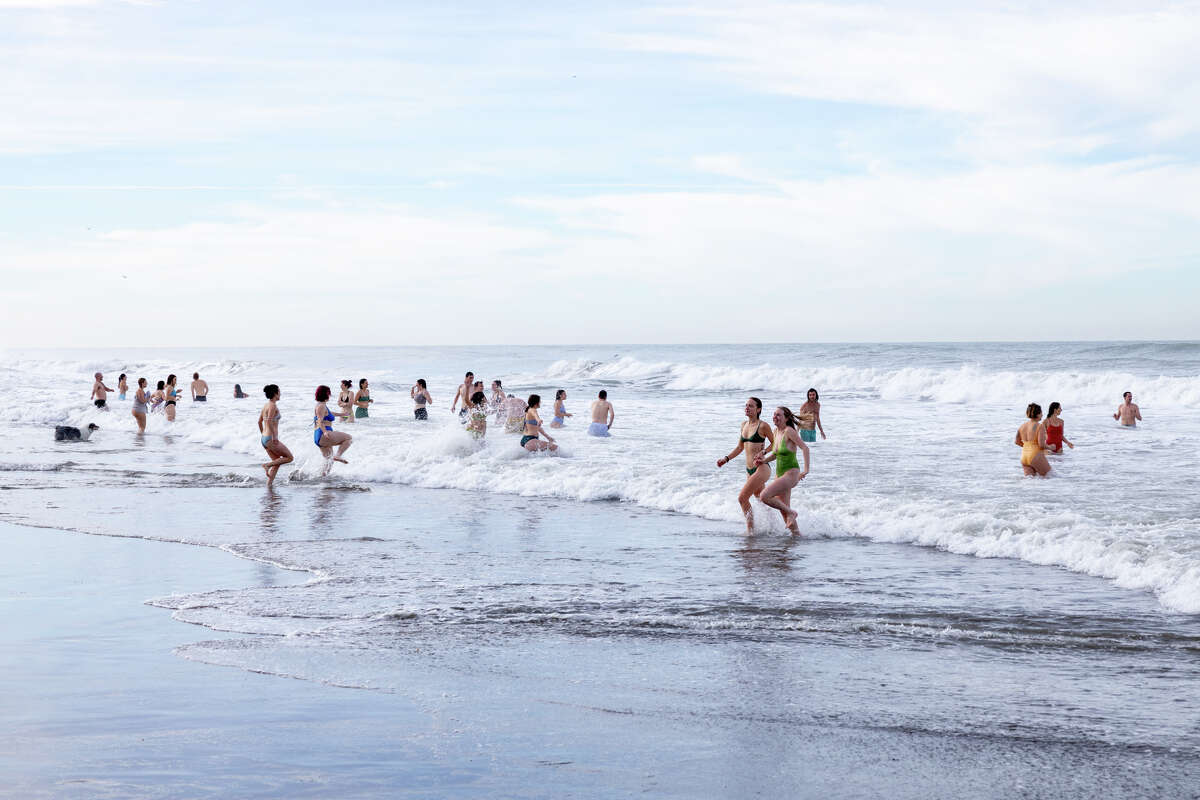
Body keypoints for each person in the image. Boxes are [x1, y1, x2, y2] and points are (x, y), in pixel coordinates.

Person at [716, 397, 776, 533]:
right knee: (762, 499)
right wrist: (725, 459)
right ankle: (775, 526)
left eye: (751, 406)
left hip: (761, 467)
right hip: (749, 470)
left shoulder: (763, 426)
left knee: (742, 498)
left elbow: (775, 444)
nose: (747, 408)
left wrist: (764, 451)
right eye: (746, 405)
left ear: (758, 409)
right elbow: (739, 448)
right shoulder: (744, 425)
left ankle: (750, 531)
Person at [754, 407, 811, 534]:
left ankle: (793, 513)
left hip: (791, 473)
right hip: (779, 474)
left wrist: (806, 470)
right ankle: (797, 536)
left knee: (764, 496)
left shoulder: (789, 431)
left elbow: (805, 448)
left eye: (778, 415)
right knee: (785, 514)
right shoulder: (775, 431)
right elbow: (776, 454)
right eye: (774, 414)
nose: (775, 417)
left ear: (786, 418)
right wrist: (763, 461)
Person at [258, 384, 293, 484]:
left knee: (277, 462)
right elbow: (269, 420)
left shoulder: (265, 405)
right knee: (290, 458)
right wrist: (274, 437)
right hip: (270, 438)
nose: (280, 394)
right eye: (279, 392)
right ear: (275, 393)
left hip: (264, 439)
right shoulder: (273, 406)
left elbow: (259, 422)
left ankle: (269, 485)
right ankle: (267, 465)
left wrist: (263, 435)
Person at [313, 385, 352, 474]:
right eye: (329, 393)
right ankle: (338, 455)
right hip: (323, 434)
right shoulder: (321, 406)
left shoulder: (321, 405)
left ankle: (322, 479)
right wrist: (325, 432)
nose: (329, 395)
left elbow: (329, 413)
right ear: (326, 394)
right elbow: (319, 421)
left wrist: (342, 414)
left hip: (319, 436)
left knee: (329, 461)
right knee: (349, 438)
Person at [1015, 402, 1051, 477]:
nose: (1042, 415)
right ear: (1037, 414)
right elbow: (1041, 445)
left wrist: (1029, 448)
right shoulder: (1039, 426)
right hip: (1035, 455)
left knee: (1030, 483)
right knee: (1050, 477)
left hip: (1024, 457)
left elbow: (1017, 442)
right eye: (1041, 413)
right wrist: (1051, 447)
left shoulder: (1022, 426)